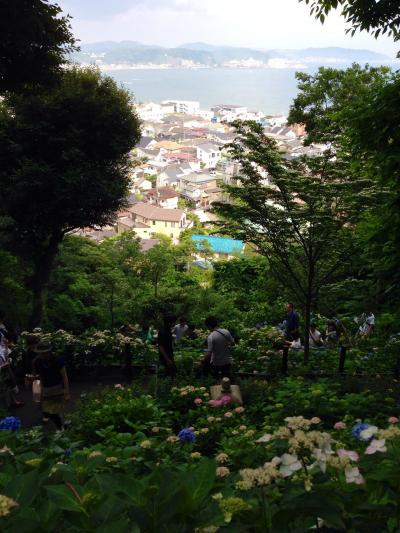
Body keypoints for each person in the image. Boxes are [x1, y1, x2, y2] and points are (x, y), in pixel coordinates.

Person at [32, 340, 70, 430]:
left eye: (44, 353)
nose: (42, 355)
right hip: (46, 389)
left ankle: (61, 427)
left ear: (49, 352)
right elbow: (40, 377)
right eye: (40, 353)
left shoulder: (57, 360)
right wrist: (41, 392)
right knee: (47, 411)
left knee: (56, 410)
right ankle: (62, 425)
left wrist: (67, 392)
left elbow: (64, 376)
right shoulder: (37, 362)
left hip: (57, 388)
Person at [0, 330, 24, 408]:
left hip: (5, 368)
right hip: (2, 369)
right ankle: (6, 408)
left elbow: (6, 355)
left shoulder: (2, 346)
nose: (5, 340)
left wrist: (6, 346)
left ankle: (13, 401)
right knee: (3, 388)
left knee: (9, 384)